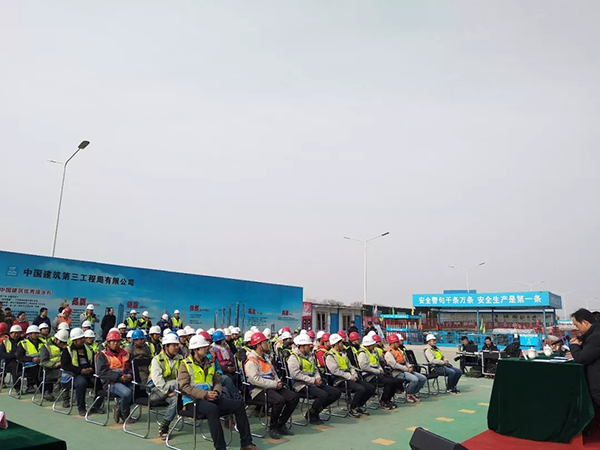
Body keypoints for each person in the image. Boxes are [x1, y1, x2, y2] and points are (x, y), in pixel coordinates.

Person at [178, 334, 261, 450]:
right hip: (193, 401)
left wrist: (216, 391)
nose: (207, 349)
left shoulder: (209, 362)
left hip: (211, 397)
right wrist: (205, 394)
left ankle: (246, 443)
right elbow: (184, 386)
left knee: (238, 405)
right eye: (204, 347)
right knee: (212, 409)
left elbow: (216, 380)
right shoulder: (185, 364)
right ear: (195, 350)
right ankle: (220, 448)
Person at [245, 332, 299, 440]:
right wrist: (274, 384)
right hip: (258, 390)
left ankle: (280, 424)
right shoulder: (251, 361)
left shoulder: (266, 358)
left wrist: (278, 381)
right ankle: (273, 427)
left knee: (294, 397)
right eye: (265, 342)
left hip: (271, 386)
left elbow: (273, 373)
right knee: (279, 401)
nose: (267, 344)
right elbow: (255, 380)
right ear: (258, 345)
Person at [287, 334, 341, 424]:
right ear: (302, 346)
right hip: (301, 385)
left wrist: (318, 377)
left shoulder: (310, 356)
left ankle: (315, 412)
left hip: (314, 382)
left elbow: (315, 369)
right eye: (308, 345)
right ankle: (312, 414)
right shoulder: (293, 358)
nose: (310, 346)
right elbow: (295, 375)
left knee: (336, 393)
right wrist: (313, 380)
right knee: (323, 395)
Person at [325, 333, 375, 418]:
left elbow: (350, 366)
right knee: (360, 389)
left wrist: (354, 374)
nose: (343, 344)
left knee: (370, 388)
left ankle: (358, 406)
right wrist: (349, 376)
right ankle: (352, 409)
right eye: (341, 342)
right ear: (336, 344)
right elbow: (335, 371)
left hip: (349, 377)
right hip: (340, 380)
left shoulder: (343, 354)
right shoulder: (330, 356)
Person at [570, 308, 600, 433]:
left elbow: (582, 358)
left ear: (585, 322)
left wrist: (574, 346)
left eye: (577, 325)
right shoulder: (593, 335)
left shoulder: (596, 337)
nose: (577, 329)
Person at [62, 327, 103, 416]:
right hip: (74, 375)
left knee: (100, 382)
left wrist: (91, 368)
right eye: (80, 338)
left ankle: (96, 406)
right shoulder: (67, 350)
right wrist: (80, 370)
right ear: (74, 340)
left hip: (89, 373)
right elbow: (65, 365)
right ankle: (81, 408)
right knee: (81, 383)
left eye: (83, 338)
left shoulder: (89, 349)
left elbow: (94, 362)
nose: (83, 340)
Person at [149, 332, 182, 438]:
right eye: (174, 345)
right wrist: (168, 391)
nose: (177, 347)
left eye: (177, 345)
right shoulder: (157, 359)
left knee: (177, 399)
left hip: (173, 389)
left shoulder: (180, 358)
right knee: (177, 391)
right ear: (166, 347)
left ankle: (164, 425)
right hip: (155, 390)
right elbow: (157, 380)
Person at [96, 329, 134, 423]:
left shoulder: (125, 354)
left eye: (117, 341)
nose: (115, 343)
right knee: (127, 393)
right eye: (113, 341)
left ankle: (119, 409)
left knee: (137, 391)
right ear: (108, 342)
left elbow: (130, 367)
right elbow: (102, 372)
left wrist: (129, 374)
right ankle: (124, 414)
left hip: (125, 380)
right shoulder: (102, 355)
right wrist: (119, 377)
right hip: (110, 383)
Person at [357, 334, 401, 409]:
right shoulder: (362, 353)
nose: (374, 345)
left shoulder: (373, 352)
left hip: (377, 372)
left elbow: (377, 362)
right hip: (368, 375)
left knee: (395, 381)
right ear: (368, 345)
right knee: (389, 382)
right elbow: (363, 367)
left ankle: (388, 399)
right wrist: (377, 371)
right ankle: (383, 401)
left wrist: (380, 369)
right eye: (372, 344)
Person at [385, 333, 426, 403]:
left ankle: (413, 392)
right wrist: (406, 369)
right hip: (397, 372)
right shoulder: (388, 353)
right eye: (397, 342)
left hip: (405, 370)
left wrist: (409, 366)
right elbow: (395, 365)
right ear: (392, 343)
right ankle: (408, 394)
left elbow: (405, 361)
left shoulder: (398, 351)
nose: (399, 343)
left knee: (423, 378)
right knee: (415, 379)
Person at [40, 329, 69, 401]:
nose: (63, 344)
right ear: (56, 339)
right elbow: (43, 362)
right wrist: (55, 365)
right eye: (61, 342)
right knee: (64, 374)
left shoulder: (67, 348)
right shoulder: (46, 347)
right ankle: (48, 391)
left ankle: (65, 395)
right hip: (50, 370)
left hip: (64, 369)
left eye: (64, 342)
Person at [16, 325, 44, 393]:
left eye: (37, 333)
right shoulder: (23, 343)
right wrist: (32, 359)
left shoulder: (43, 342)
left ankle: (45, 389)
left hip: (41, 363)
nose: (37, 335)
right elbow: (19, 356)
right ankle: (38, 387)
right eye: (35, 333)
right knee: (36, 371)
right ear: (29, 334)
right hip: (28, 366)